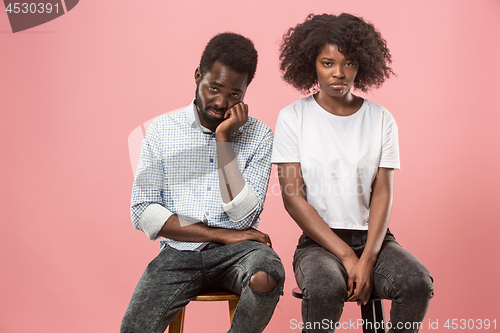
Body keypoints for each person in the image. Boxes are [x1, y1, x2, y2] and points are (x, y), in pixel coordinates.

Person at [272, 14, 433, 333]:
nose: (338, 73)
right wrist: (347, 255)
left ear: (362, 64)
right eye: (327, 63)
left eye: (348, 63)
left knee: (416, 283)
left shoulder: (381, 119)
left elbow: (382, 192)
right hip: (319, 244)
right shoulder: (293, 118)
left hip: (375, 239)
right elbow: (293, 199)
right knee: (325, 289)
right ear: (312, 65)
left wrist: (368, 257)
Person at [120, 32, 284, 333]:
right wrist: (221, 235)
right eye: (214, 88)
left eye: (235, 94)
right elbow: (142, 210)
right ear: (198, 75)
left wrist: (224, 139)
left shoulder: (259, 136)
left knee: (267, 273)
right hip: (178, 253)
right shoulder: (161, 131)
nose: (221, 103)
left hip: (240, 253)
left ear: (246, 91)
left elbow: (245, 217)